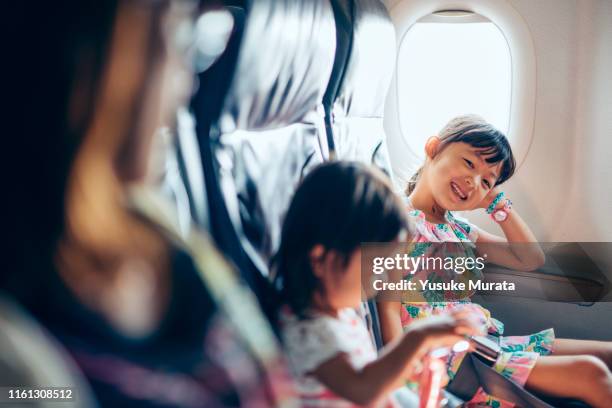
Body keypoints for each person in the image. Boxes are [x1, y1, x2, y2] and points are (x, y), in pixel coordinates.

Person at [4, 1, 292, 406]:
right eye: (176, 36)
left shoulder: (155, 225)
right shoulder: (17, 369)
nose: (185, 85)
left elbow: (403, 294)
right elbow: (392, 301)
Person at [377, 115, 612, 407]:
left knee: (606, 355)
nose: (473, 181)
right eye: (469, 163)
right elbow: (388, 308)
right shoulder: (399, 222)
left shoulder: (459, 229)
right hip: (452, 362)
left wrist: (497, 205)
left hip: (484, 347)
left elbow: (529, 258)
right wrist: (403, 380)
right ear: (433, 148)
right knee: (591, 373)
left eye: (486, 181)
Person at [273, 161, 483, 407]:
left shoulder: (342, 315)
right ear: (320, 260)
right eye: (375, 267)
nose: (382, 280)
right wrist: (418, 336)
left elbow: (369, 373)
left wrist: (404, 374)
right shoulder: (307, 330)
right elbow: (362, 389)